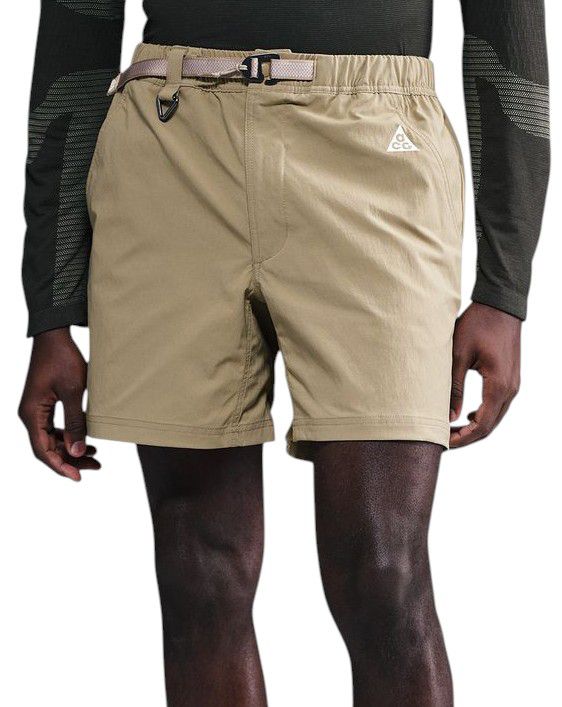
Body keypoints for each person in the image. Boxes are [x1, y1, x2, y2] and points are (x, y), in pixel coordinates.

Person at [19, 1, 549, 705]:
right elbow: (75, 33)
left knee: (382, 571)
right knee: (197, 568)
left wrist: (504, 288)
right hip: (172, 147)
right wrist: (52, 308)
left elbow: (505, 28)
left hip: (375, 145)